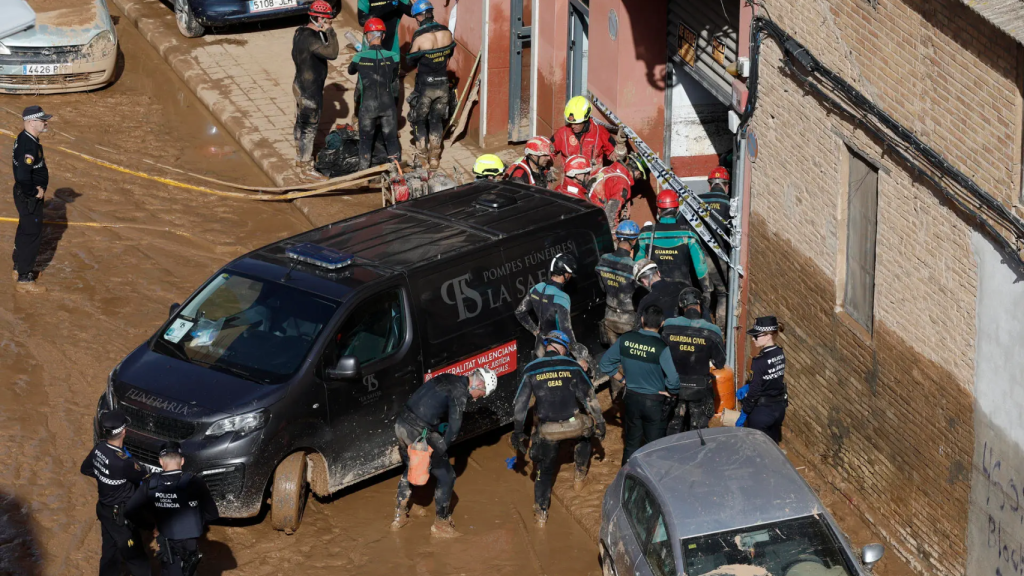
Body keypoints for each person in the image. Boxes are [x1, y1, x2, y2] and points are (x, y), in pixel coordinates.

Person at [510, 331, 605, 524]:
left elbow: (520, 404)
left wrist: (518, 432)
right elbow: (589, 397)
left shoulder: (531, 368)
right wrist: (600, 421)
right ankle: (579, 477)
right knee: (586, 435)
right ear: (563, 347)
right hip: (573, 424)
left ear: (548, 345)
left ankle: (541, 514)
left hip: (549, 430)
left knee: (544, 472)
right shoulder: (572, 366)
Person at [391, 368, 498, 536]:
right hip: (418, 433)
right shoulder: (459, 393)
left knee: (413, 465)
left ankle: (400, 516)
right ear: (479, 384)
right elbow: (454, 430)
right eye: (481, 394)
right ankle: (441, 525)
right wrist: (440, 449)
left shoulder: (448, 377)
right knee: (447, 476)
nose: (477, 398)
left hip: (401, 424)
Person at [598, 305, 680, 465]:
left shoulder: (626, 339)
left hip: (631, 399)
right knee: (654, 448)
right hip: (654, 402)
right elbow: (673, 379)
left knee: (631, 445)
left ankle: (626, 476)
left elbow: (605, 364)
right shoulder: (662, 347)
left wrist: (623, 380)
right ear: (662, 323)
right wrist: (672, 392)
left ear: (642, 320)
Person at [126, 442, 218, 576]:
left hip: (166, 542)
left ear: (160, 461)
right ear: (182, 461)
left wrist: (151, 527)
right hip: (189, 544)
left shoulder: (150, 483)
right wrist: (193, 521)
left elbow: (130, 511)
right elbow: (212, 514)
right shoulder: (196, 482)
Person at [79, 410, 151, 576]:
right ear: (124, 431)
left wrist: (104, 476)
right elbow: (145, 479)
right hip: (121, 517)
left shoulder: (99, 449)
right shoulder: (124, 462)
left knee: (110, 553)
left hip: (104, 509)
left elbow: (85, 469)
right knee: (138, 559)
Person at [662, 287, 726, 434]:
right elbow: (720, 363)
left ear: (681, 306)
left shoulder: (668, 326)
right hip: (699, 387)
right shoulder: (713, 331)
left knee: (673, 428)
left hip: (673, 385)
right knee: (698, 431)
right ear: (699, 305)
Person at [514, 253, 590, 367]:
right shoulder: (562, 297)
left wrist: (535, 331)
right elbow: (566, 329)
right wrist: (579, 357)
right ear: (565, 274)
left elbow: (520, 312)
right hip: (557, 348)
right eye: (569, 274)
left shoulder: (536, 288)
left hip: (540, 347)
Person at [635, 189, 713, 300]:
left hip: (655, 291)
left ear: (658, 210)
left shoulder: (646, 233)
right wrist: (707, 291)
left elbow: (637, 264)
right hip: (682, 293)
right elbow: (700, 265)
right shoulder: (688, 234)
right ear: (677, 209)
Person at [291, 0, 339, 180]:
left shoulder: (299, 32)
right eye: (328, 19)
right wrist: (330, 31)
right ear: (320, 19)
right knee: (309, 128)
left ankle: (299, 154)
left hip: (298, 84)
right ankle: (306, 167)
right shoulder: (313, 39)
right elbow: (333, 53)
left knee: (300, 121)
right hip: (310, 90)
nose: (330, 21)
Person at [406, 0, 455, 169]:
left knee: (419, 121)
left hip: (425, 86)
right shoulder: (446, 32)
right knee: (436, 121)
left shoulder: (420, 36)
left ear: (419, 17)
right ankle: (435, 158)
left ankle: (422, 159)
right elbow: (450, 53)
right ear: (431, 13)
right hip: (443, 84)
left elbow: (410, 60)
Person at [348, 17, 402, 170]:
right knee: (391, 140)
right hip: (388, 106)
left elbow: (351, 71)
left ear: (367, 36)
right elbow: (394, 80)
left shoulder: (359, 57)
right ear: (383, 36)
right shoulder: (394, 57)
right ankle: (397, 174)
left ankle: (364, 174)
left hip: (368, 107)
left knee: (365, 141)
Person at [11, 105, 51, 293]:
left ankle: (18, 266)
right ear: (31, 122)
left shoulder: (25, 138)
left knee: (24, 229)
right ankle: (24, 279)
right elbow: (22, 175)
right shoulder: (28, 145)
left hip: (22, 194)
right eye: (43, 120)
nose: (46, 123)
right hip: (29, 197)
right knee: (32, 235)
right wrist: (34, 192)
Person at [736, 316, 788, 443]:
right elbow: (772, 379)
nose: (753, 339)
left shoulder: (759, 361)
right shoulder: (780, 353)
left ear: (768, 335)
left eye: (756, 336)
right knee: (772, 446)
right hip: (778, 409)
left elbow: (754, 392)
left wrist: (744, 413)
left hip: (762, 412)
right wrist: (750, 385)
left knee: (756, 447)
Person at [700, 165, 732, 328]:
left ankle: (699, 325)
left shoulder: (697, 200)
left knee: (702, 292)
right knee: (722, 293)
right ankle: (720, 330)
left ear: (709, 185)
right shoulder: (728, 203)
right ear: (727, 187)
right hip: (717, 257)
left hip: (697, 256)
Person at [551, 96, 618, 168]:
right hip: (570, 174)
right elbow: (547, 151)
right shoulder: (562, 134)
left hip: (594, 174)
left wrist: (621, 147)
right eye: (571, 123)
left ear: (585, 120)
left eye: (577, 123)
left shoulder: (600, 132)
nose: (573, 126)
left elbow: (616, 156)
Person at [587, 153, 647, 230]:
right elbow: (611, 215)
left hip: (583, 208)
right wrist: (615, 233)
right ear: (638, 173)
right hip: (593, 219)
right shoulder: (622, 184)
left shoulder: (605, 169)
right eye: (640, 177)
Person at [632, 259, 685, 329]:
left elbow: (638, 328)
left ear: (644, 282)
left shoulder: (645, 302)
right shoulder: (683, 286)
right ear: (658, 273)